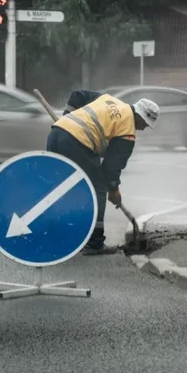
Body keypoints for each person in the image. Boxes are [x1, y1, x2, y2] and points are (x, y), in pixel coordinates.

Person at [46, 89, 160, 255]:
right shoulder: (127, 130)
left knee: (63, 188)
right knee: (98, 188)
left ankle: (57, 234)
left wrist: (67, 117)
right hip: (78, 142)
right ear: (139, 116)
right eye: (145, 124)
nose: (143, 128)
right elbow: (111, 168)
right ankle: (95, 243)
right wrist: (113, 190)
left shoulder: (109, 100)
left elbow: (78, 94)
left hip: (56, 133)